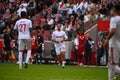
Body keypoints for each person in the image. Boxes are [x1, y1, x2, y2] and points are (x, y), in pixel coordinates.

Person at [104, 4, 120, 80]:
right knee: (112, 64)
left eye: (113, 8)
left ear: (115, 10)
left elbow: (113, 31)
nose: (112, 10)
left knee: (111, 65)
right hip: (118, 42)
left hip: (114, 43)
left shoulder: (114, 19)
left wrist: (107, 39)